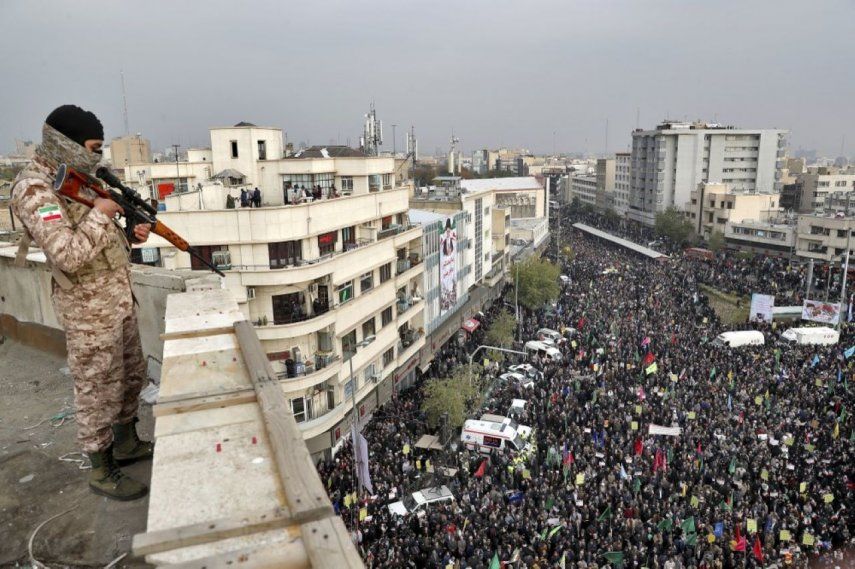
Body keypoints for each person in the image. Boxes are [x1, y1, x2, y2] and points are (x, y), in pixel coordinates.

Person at [10, 105, 154, 501]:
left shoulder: (79, 178)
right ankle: (101, 468)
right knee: (97, 389)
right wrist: (102, 215)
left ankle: (126, 444)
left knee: (129, 376)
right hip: (87, 309)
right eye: (92, 147)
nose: (97, 157)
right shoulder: (35, 188)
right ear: (66, 143)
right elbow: (67, 255)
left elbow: (102, 240)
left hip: (118, 298)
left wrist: (131, 234)